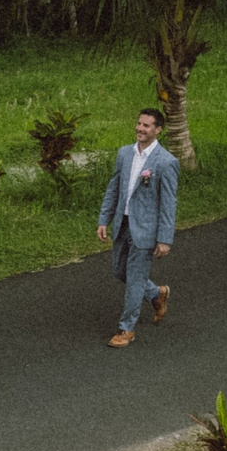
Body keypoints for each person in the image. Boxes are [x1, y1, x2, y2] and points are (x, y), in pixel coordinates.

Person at [94, 107, 179, 348]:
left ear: (158, 130)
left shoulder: (166, 162)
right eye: (139, 124)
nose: (140, 128)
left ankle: (126, 329)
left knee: (134, 279)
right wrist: (104, 219)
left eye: (147, 125)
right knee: (120, 271)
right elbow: (114, 188)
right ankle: (156, 294)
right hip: (123, 224)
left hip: (146, 230)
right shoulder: (125, 154)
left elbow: (168, 203)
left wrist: (165, 238)